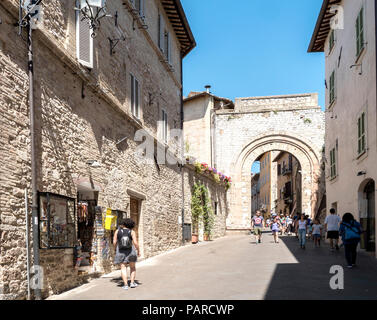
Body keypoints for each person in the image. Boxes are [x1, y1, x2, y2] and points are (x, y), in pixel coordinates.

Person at [113, 218, 140, 290]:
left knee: (123, 268)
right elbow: (135, 243)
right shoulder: (132, 232)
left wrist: (115, 249)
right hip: (131, 251)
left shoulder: (117, 231)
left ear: (123, 224)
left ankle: (125, 285)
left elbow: (114, 242)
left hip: (120, 251)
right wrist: (138, 250)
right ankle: (132, 283)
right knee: (132, 267)